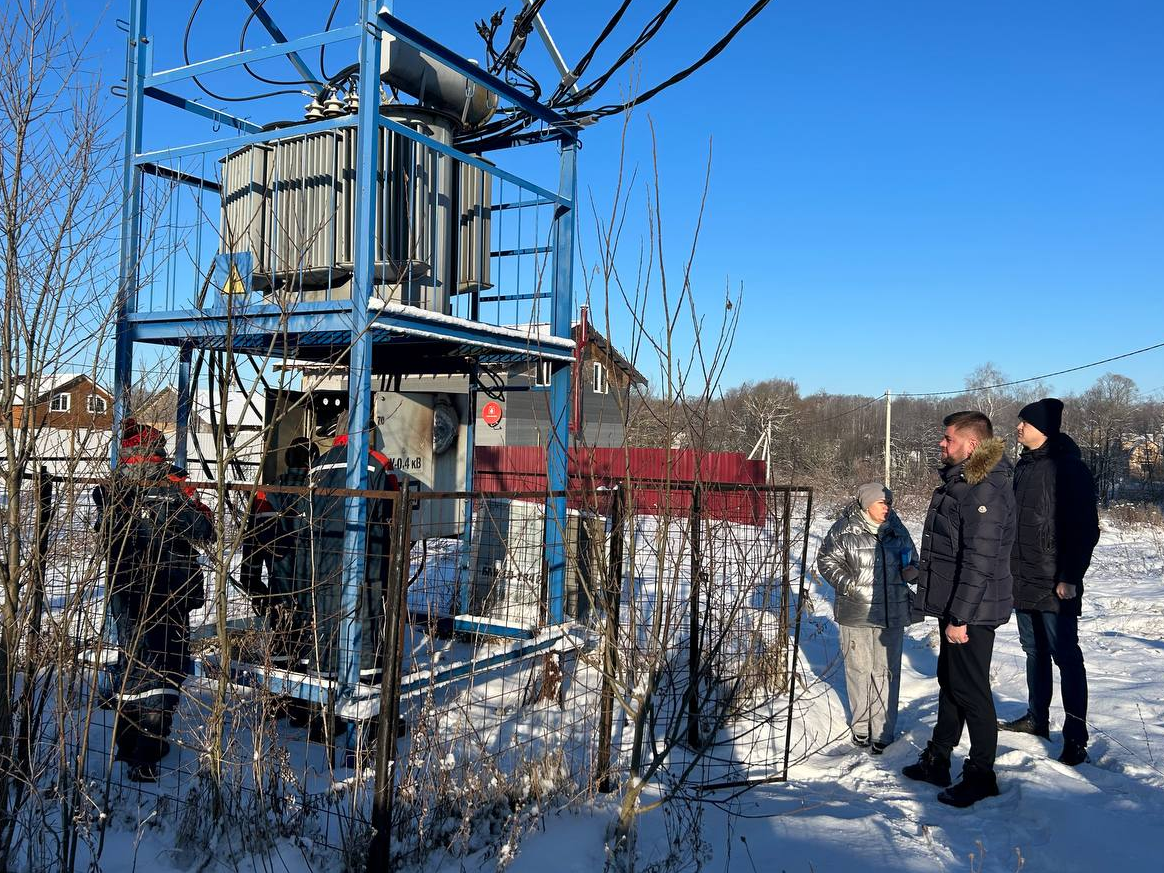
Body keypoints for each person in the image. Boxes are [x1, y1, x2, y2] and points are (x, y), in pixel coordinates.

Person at [902, 411, 1016, 807]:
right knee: (951, 683)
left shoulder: (983, 488)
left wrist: (961, 617)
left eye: (948, 439)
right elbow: (952, 548)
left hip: (973, 611)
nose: (942, 444)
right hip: (958, 604)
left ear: (971, 445)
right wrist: (920, 572)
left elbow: (979, 560)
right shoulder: (963, 483)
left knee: (972, 691)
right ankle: (938, 757)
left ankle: (982, 774)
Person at [95, 418, 214, 782]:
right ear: (156, 448)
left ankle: (127, 745)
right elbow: (204, 530)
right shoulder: (172, 485)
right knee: (166, 666)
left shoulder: (111, 487)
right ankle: (148, 753)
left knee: (132, 661)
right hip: (168, 587)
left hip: (123, 590)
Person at [999, 398, 1099, 766]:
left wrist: (1070, 576)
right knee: (1034, 652)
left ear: (1042, 427)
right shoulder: (1023, 467)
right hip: (1023, 577)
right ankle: (1036, 718)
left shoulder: (1068, 469)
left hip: (1056, 581)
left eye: (1023, 423)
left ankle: (1075, 737)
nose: (1018, 428)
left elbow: (1085, 528)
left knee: (1066, 657)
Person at [817, 482, 919, 754]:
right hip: (857, 611)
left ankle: (884, 730)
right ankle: (861, 727)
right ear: (866, 505)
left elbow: (914, 559)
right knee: (859, 670)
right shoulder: (844, 529)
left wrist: (912, 571)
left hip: (892, 612)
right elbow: (826, 560)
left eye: (888, 503)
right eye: (881, 503)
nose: (887, 508)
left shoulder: (897, 529)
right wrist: (850, 586)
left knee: (886, 671)